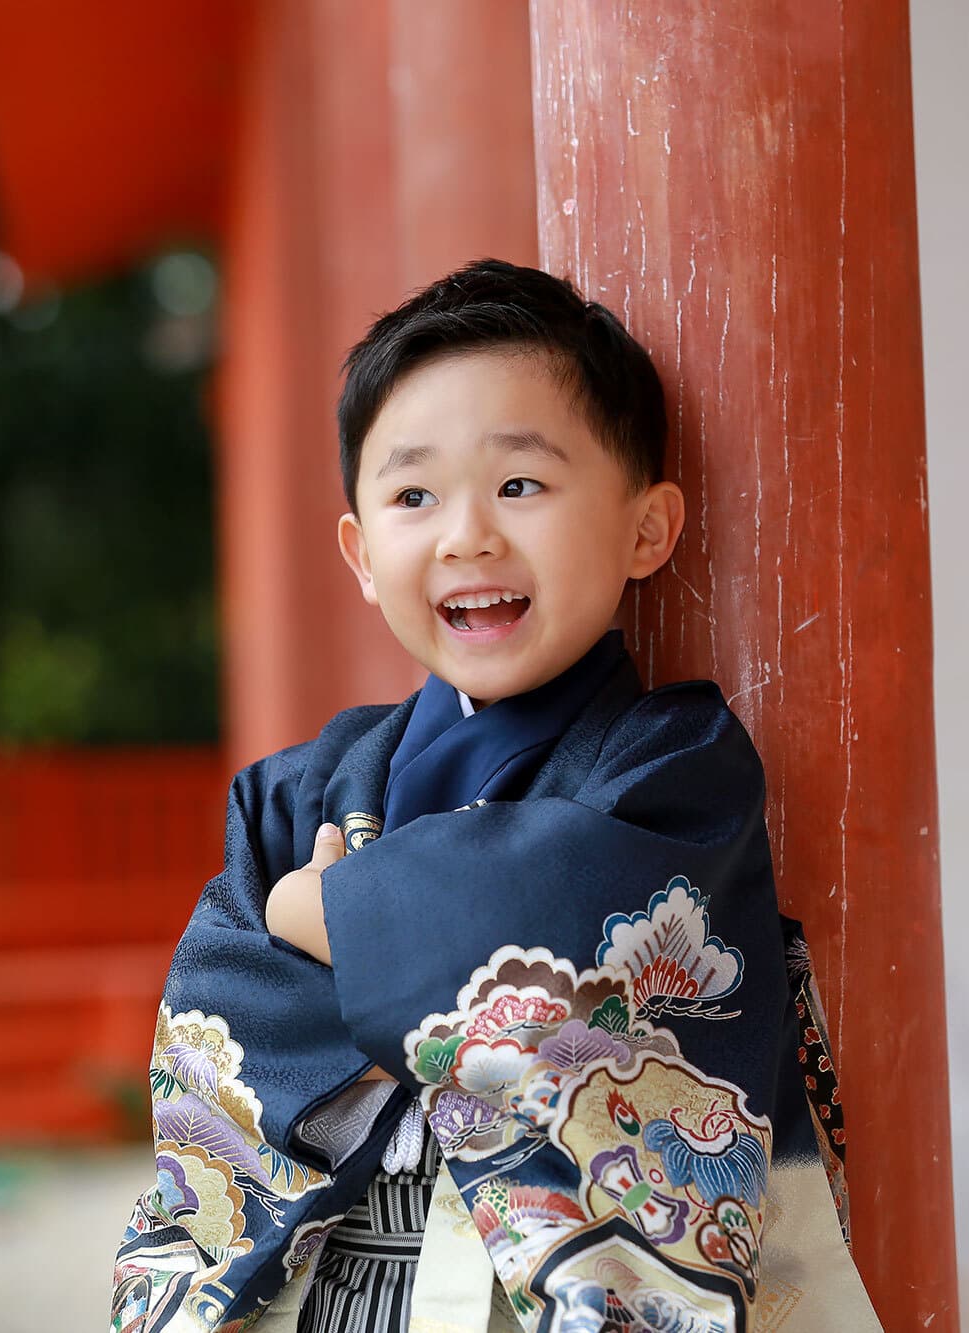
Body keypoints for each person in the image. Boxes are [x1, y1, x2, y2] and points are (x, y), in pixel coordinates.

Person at [111, 260, 879, 1333]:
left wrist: (328, 917)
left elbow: (579, 926)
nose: (466, 534)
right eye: (413, 496)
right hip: (347, 1292)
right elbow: (219, 1013)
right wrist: (397, 949)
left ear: (646, 528)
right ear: (361, 553)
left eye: (520, 485)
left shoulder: (671, 769)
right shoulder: (298, 791)